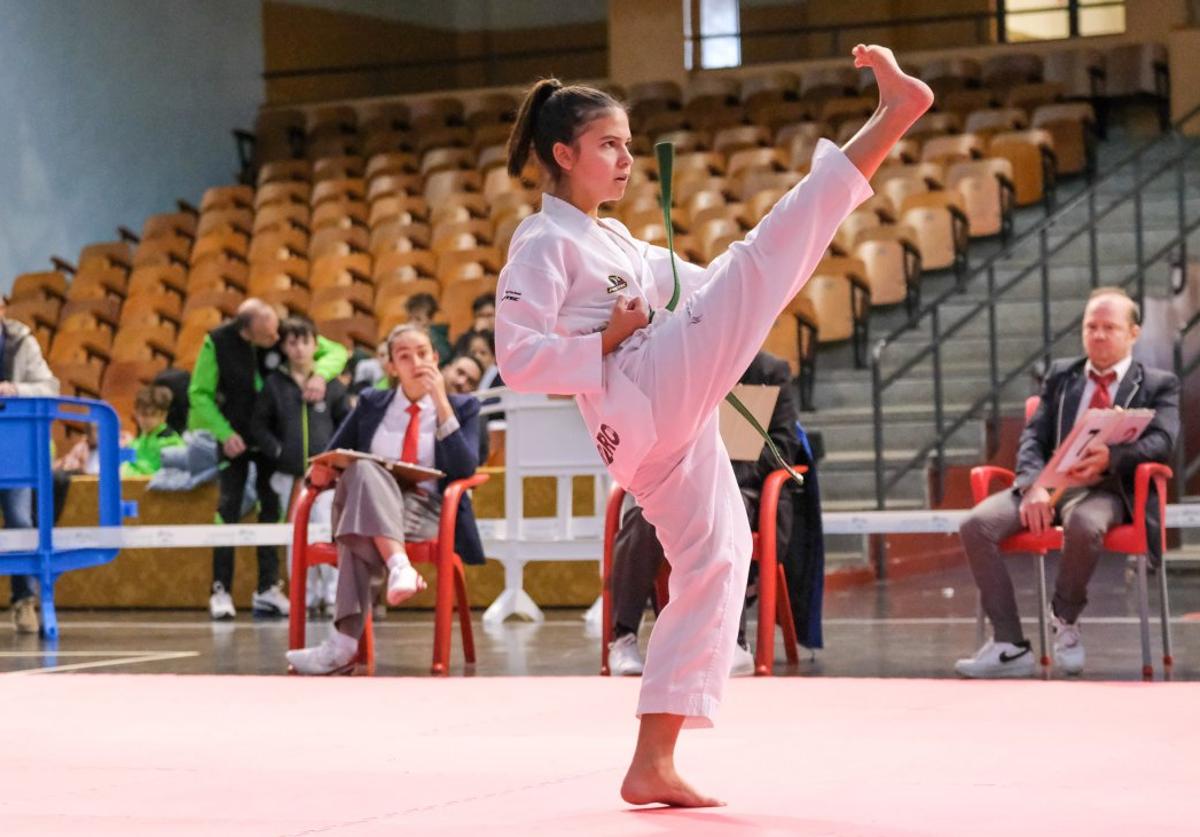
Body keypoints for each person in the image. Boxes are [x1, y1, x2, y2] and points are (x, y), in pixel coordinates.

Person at [494, 45, 931, 807]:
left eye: (630, 144)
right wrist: (607, 336)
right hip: (640, 397)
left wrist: (735, 302)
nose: (626, 158)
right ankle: (894, 113)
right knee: (757, 261)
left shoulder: (616, 241)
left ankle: (652, 760)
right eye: (609, 144)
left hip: (659, 426)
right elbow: (518, 360)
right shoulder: (543, 242)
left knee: (721, 554)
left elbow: (698, 289)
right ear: (562, 154)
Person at [955, 287, 1180, 678]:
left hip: (1106, 489)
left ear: (1133, 333)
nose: (1098, 335)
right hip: (1050, 484)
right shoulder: (1062, 375)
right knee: (975, 525)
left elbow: (1163, 442)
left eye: (1109, 327)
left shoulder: (1157, 383)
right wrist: (1033, 485)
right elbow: (1033, 437)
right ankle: (1010, 645)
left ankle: (1064, 617)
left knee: (1084, 525)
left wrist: (1113, 458)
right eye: (1091, 326)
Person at [285, 324, 484, 675]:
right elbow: (335, 452)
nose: (415, 362)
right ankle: (399, 567)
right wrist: (318, 474)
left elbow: (465, 467)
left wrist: (439, 401)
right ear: (391, 367)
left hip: (426, 510)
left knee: (358, 522)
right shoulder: (371, 403)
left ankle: (342, 646)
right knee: (362, 471)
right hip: (370, 503)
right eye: (404, 357)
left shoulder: (461, 406)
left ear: (436, 359)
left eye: (422, 353)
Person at [607, 351, 801, 678]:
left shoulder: (771, 371)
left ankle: (733, 642)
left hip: (743, 485)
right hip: (681, 478)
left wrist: (727, 464)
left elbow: (783, 448)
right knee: (641, 515)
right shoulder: (685, 361)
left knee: (722, 509)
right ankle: (623, 637)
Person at [188, 299, 347, 620]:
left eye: (278, 332)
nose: (277, 340)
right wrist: (223, 432)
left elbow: (337, 352)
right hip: (233, 439)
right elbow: (198, 394)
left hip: (270, 442)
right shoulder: (216, 343)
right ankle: (221, 590)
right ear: (248, 332)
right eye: (269, 336)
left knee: (271, 512)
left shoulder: (281, 336)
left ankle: (267, 588)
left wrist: (321, 375)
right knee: (228, 509)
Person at [251, 316, 352, 615]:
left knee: (328, 532)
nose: (298, 349)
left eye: (305, 342)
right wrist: (279, 452)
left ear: (315, 345)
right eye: (292, 342)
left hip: (327, 477)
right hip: (288, 477)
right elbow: (258, 427)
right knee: (295, 536)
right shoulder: (274, 385)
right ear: (283, 346)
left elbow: (346, 423)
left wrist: (335, 459)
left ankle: (333, 595)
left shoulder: (331, 385)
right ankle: (304, 596)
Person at [0, 293, 60, 633]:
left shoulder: (22, 342)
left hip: (14, 452)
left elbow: (50, 387)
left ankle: (25, 601)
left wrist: (16, 389)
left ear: (2, 310)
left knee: (21, 520)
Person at [120, 385, 185, 477]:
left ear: (163, 415)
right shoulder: (136, 443)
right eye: (143, 414)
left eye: (153, 415)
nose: (148, 420)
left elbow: (156, 474)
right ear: (136, 414)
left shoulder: (172, 443)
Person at [443, 353, 490, 463]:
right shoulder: (419, 396)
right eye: (460, 372)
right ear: (446, 369)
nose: (461, 382)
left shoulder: (477, 418)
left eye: (471, 382)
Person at [404, 292, 454, 361]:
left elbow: (446, 355)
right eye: (409, 318)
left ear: (431, 320)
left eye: (418, 319)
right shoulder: (406, 334)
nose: (412, 323)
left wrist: (429, 336)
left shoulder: (437, 336)